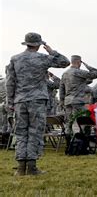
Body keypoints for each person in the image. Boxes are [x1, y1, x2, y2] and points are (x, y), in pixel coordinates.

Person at [6, 32, 70, 176]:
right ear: (39, 45)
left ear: (26, 43)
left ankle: (21, 168)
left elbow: (10, 82)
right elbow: (65, 62)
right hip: (37, 100)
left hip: (20, 100)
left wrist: (10, 101)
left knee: (21, 132)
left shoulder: (15, 59)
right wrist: (51, 51)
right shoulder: (43, 58)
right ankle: (32, 167)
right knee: (35, 132)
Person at [60, 55, 97, 137]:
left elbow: (62, 89)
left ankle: (69, 144)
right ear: (79, 62)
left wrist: (62, 101)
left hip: (68, 101)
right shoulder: (78, 72)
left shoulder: (65, 73)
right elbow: (95, 74)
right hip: (78, 101)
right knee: (82, 122)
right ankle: (80, 143)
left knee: (69, 122)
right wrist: (87, 65)